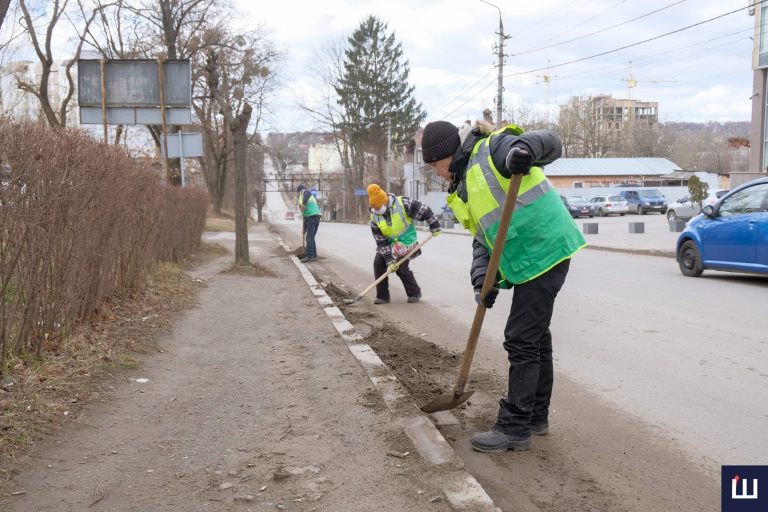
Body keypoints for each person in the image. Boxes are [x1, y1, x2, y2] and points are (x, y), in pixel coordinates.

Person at [421, 120, 586, 453]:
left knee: (521, 339)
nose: (436, 173)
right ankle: (535, 417)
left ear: (447, 155)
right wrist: (482, 277)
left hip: (546, 247)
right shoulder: (461, 189)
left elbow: (550, 141)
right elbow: (484, 238)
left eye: (434, 165)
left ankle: (514, 427)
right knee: (536, 338)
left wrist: (525, 151)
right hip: (529, 259)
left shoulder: (492, 150)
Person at [367, 183, 441, 304]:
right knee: (379, 262)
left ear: (385, 201)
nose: (377, 209)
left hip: (407, 242)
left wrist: (434, 225)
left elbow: (424, 210)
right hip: (391, 245)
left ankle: (414, 292)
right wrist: (390, 260)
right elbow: (380, 241)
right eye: (375, 207)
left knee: (401, 268)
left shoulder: (402, 203)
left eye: (379, 206)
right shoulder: (374, 217)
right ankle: (383, 296)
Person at [297, 183, 321, 262]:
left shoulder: (304, 192)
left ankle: (310, 256)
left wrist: (303, 203)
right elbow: (304, 215)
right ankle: (314, 255)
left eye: (298, 193)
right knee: (311, 237)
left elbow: (307, 192)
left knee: (309, 238)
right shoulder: (305, 197)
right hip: (315, 216)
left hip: (311, 216)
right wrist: (304, 229)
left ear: (299, 191)